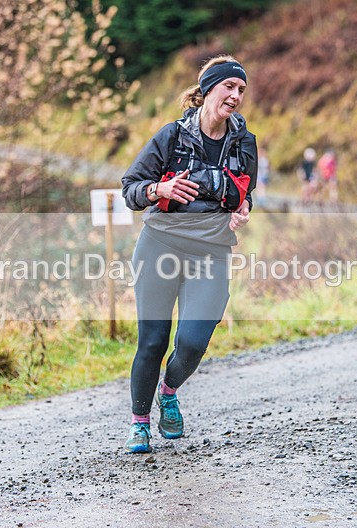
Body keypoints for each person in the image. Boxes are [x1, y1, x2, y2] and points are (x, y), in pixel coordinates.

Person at [121, 55, 257, 453]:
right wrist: (158, 191)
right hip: (160, 245)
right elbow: (131, 187)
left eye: (241, 90)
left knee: (194, 340)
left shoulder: (243, 142)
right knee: (152, 341)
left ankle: (168, 391)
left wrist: (245, 208)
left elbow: (246, 192)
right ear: (208, 89)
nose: (235, 96)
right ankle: (140, 422)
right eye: (229, 87)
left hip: (211, 250)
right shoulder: (171, 136)